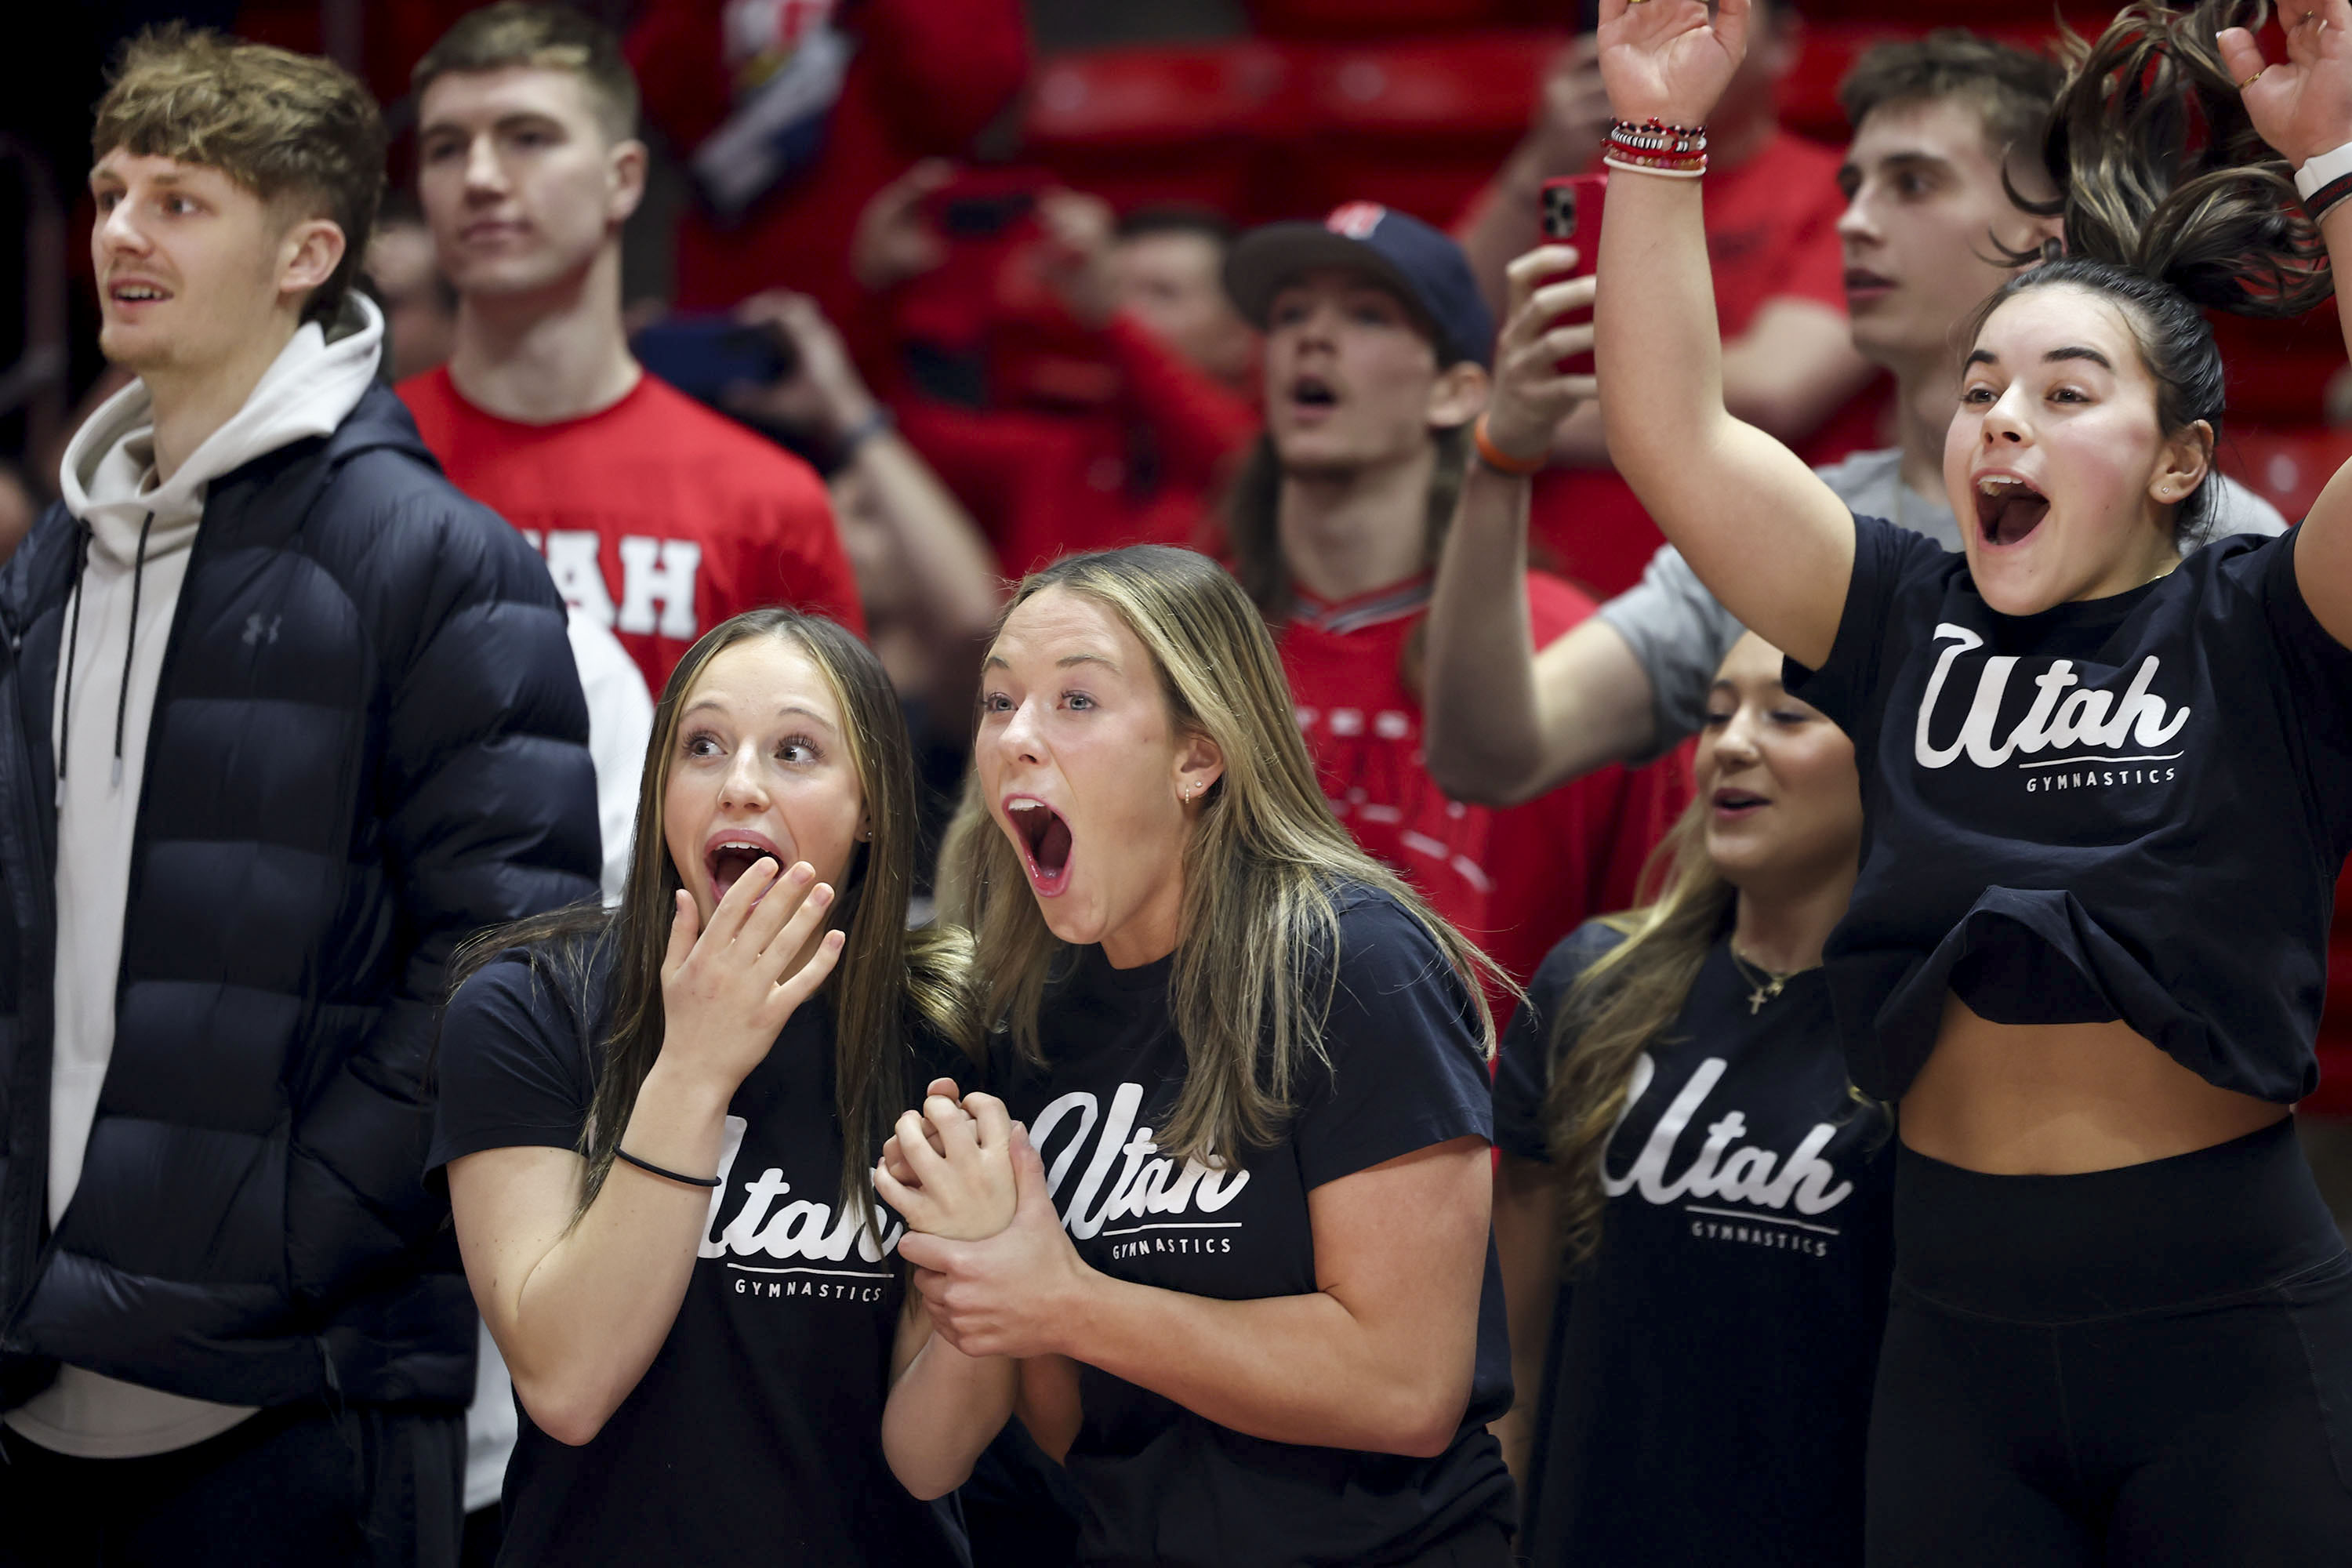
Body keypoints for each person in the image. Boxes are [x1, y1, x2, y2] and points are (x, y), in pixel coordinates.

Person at [1591, 0, 2352, 1558]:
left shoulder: (2259, 620)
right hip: (1950, 1324)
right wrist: (1655, 130)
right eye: (1985, 388)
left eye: (2069, 393)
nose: (2002, 416)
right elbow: (1669, 434)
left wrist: (2337, 154)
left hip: (2227, 1325)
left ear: (2180, 461)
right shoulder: (1893, 613)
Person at [0, 27, 599, 1566]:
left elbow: (506, 982)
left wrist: (281, 1230)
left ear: (306, 251)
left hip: (298, 1399)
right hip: (31, 1376)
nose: (121, 234)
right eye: (110, 191)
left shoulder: (445, 561)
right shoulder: (57, 556)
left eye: (183, 202)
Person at [1425, 28, 2292, 808]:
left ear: (2045, 236)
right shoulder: (1790, 524)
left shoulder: (2210, 534)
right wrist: (1499, 461)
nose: (1854, 222)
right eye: (1854, 185)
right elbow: (1491, 756)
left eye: (1913, 182)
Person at [881, 544, 1517, 1566]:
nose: (1019, 739)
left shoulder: (1354, 959)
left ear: (1197, 754)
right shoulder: (1030, 1013)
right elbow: (1075, 1428)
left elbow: (1408, 1387)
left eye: (1076, 701)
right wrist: (999, 1272)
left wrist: (1068, 1300)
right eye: (999, 703)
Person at [430, 608, 972, 1566]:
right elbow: (568, 1382)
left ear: (874, 803)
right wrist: (694, 1066)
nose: (741, 783)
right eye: (703, 744)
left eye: (796, 749)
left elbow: (932, 1458)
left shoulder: (949, 1034)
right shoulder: (526, 1007)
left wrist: (999, 1274)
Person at [1493, 632, 1892, 1566]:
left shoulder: (1943, 1028)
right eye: (1716, 714)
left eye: (1786, 713)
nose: (1732, 743)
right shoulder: (1592, 984)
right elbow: (1512, 1358)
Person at [1219, 203, 1679, 988]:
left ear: (1458, 392)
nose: (1311, 336)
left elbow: (1654, 936)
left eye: (1369, 315)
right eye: (1291, 312)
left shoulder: (1566, 642)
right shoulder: (1200, 636)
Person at [395, 2, 863, 696]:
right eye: (446, 148)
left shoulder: (767, 508)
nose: (481, 178)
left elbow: (825, 783)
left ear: (624, 179)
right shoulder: (350, 467)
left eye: (528, 137)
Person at [1455, 0, 1882, 596]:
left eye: (1705, 6)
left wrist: (1514, 423)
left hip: (1747, 595)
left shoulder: (1847, 194)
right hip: (1542, 587)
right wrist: (1539, 163)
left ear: (1783, 42)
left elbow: (1770, 392)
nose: (1671, 21)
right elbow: (1443, 335)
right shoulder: (1560, 186)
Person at [858, 175, 1262, 575]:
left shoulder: (1273, 452)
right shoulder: (1056, 451)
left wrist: (1109, 317)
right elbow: (882, 427)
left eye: (1161, 292)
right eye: (1118, 286)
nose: (1128, 308)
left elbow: (1231, 452)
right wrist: (883, 292)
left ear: (1238, 339)